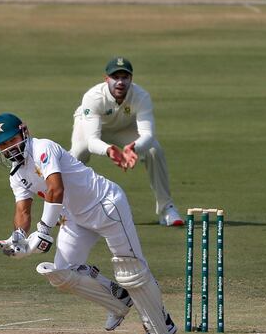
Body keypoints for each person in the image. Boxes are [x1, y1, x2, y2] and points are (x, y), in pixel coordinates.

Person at [0, 112, 176, 334]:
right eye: (2, 145)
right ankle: (118, 302)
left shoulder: (43, 148)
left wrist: (44, 230)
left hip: (105, 204)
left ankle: (161, 325)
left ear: (24, 132)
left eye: (11, 140)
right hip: (75, 218)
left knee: (130, 268)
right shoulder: (16, 175)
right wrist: (19, 238)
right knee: (60, 274)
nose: (9, 148)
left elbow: (56, 190)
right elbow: (23, 211)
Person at [70, 56, 184, 227]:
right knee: (78, 152)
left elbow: (148, 134)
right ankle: (64, 208)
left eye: (125, 77)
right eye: (115, 77)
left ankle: (166, 208)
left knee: (154, 150)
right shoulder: (93, 97)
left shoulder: (141, 96)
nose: (120, 82)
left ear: (131, 78)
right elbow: (92, 140)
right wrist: (110, 150)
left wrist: (134, 148)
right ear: (106, 79)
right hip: (92, 127)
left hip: (124, 128)